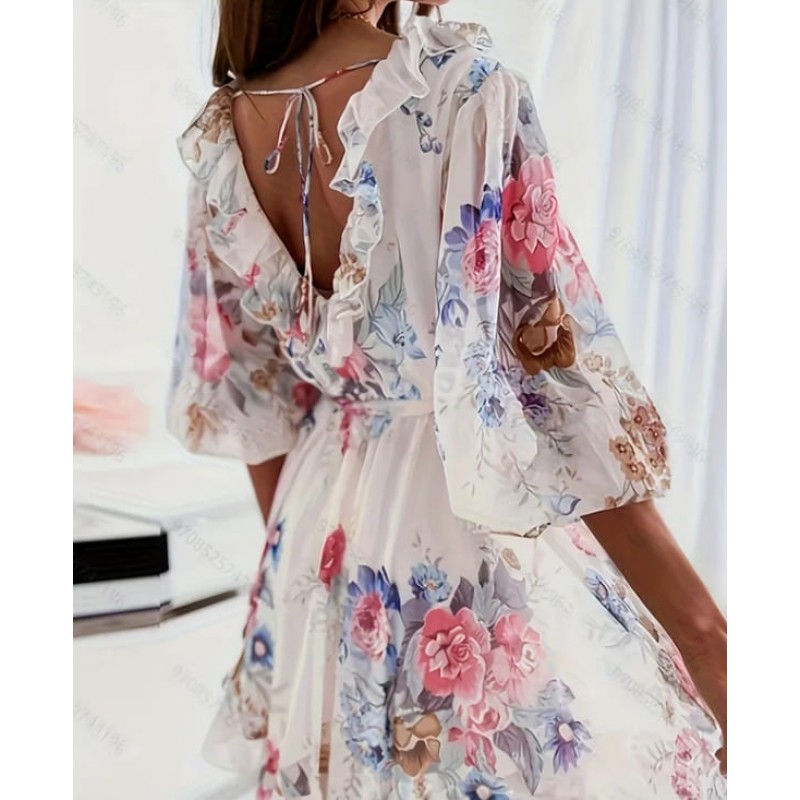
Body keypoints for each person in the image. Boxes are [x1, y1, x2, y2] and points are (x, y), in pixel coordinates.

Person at [167, 1, 727, 797]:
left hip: (318, 534)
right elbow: (548, 374)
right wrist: (703, 633)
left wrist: (315, 598)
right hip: (463, 509)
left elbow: (254, 404)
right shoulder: (465, 91)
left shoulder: (222, 136)